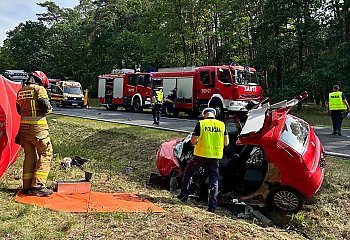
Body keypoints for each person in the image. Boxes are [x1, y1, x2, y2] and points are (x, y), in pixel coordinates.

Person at [177, 107, 229, 213]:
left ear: (204, 114)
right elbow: (226, 142)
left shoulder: (201, 124)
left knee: (188, 173)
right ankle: (212, 206)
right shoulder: (222, 125)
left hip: (200, 155)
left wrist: (196, 144)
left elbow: (193, 140)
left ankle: (183, 196)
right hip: (215, 157)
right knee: (214, 180)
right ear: (214, 114)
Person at [16, 71, 53, 197]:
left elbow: (18, 110)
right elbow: (45, 107)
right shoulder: (39, 89)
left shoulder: (21, 91)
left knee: (30, 156)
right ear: (41, 81)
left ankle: (26, 186)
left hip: (23, 129)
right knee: (46, 153)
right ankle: (38, 186)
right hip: (37, 128)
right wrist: (49, 107)